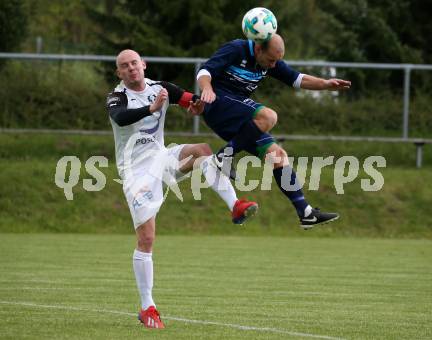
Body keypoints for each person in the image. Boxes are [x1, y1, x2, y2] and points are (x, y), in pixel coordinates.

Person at [106, 49, 258, 329]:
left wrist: (198, 106)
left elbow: (191, 100)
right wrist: (151, 109)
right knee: (147, 239)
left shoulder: (161, 88)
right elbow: (120, 117)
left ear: (144, 64)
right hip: (136, 172)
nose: (131, 69)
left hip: (161, 157)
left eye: (134, 63)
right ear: (119, 73)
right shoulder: (117, 96)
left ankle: (236, 206)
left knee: (201, 150)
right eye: (124, 66)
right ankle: (147, 307)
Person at [197, 33, 351, 229]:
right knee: (268, 116)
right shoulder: (237, 49)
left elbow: (297, 79)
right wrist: (206, 88)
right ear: (259, 49)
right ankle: (224, 156)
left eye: (276, 61)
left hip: (237, 116)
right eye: (271, 60)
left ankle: (305, 212)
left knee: (277, 156)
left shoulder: (269, 61)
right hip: (217, 103)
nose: (273, 65)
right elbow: (204, 72)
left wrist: (326, 84)